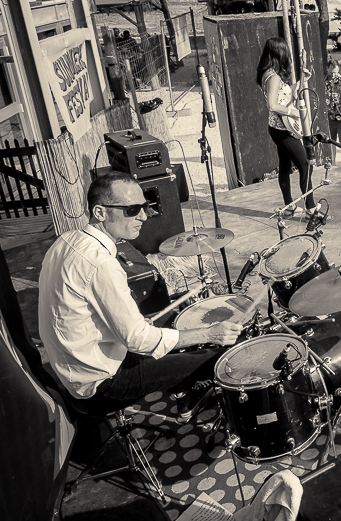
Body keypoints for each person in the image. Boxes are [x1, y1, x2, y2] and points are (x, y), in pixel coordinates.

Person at [38, 173, 242, 417]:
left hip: (73, 367)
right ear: (100, 212)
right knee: (217, 357)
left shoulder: (65, 240)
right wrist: (209, 333)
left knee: (168, 335)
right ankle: (197, 396)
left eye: (145, 207)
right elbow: (138, 340)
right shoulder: (101, 263)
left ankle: (182, 387)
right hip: (103, 382)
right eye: (132, 210)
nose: (144, 216)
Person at [257, 37, 316, 215]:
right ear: (279, 53)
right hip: (283, 129)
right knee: (305, 165)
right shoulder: (273, 77)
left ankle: (290, 206)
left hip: (278, 128)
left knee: (285, 166)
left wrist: (303, 81)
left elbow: (285, 93)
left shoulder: (267, 73)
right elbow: (272, 105)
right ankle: (311, 209)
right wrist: (293, 112)